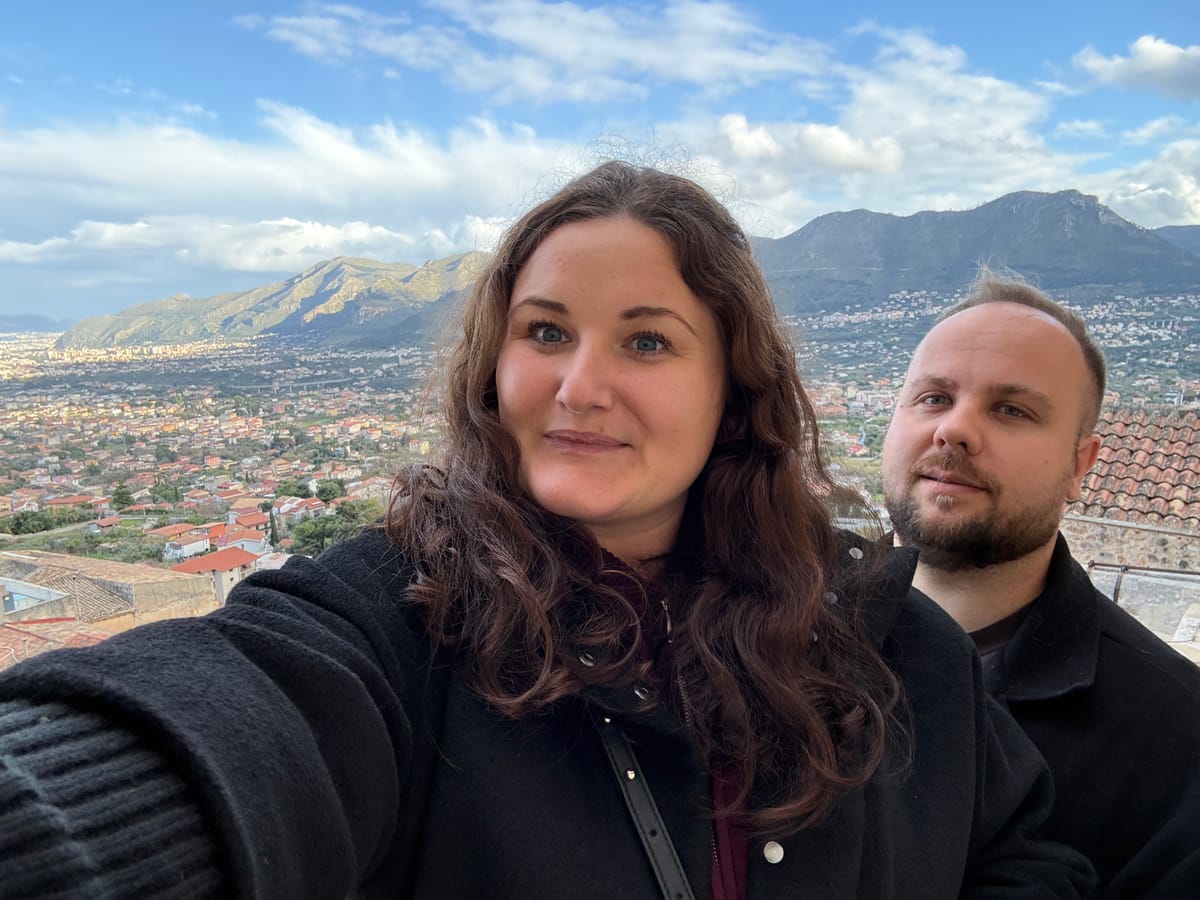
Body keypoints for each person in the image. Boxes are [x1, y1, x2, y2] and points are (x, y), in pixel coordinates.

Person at [0, 163, 1093, 899]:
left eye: (647, 342)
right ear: (495, 364)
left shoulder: (888, 644)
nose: (579, 385)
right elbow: (237, 715)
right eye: (546, 332)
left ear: (732, 386)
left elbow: (1027, 854)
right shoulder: (402, 620)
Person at [881, 273, 1200, 897]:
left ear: (1081, 465)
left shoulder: (1177, 745)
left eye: (1012, 410)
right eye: (934, 398)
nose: (955, 429)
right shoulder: (764, 633)